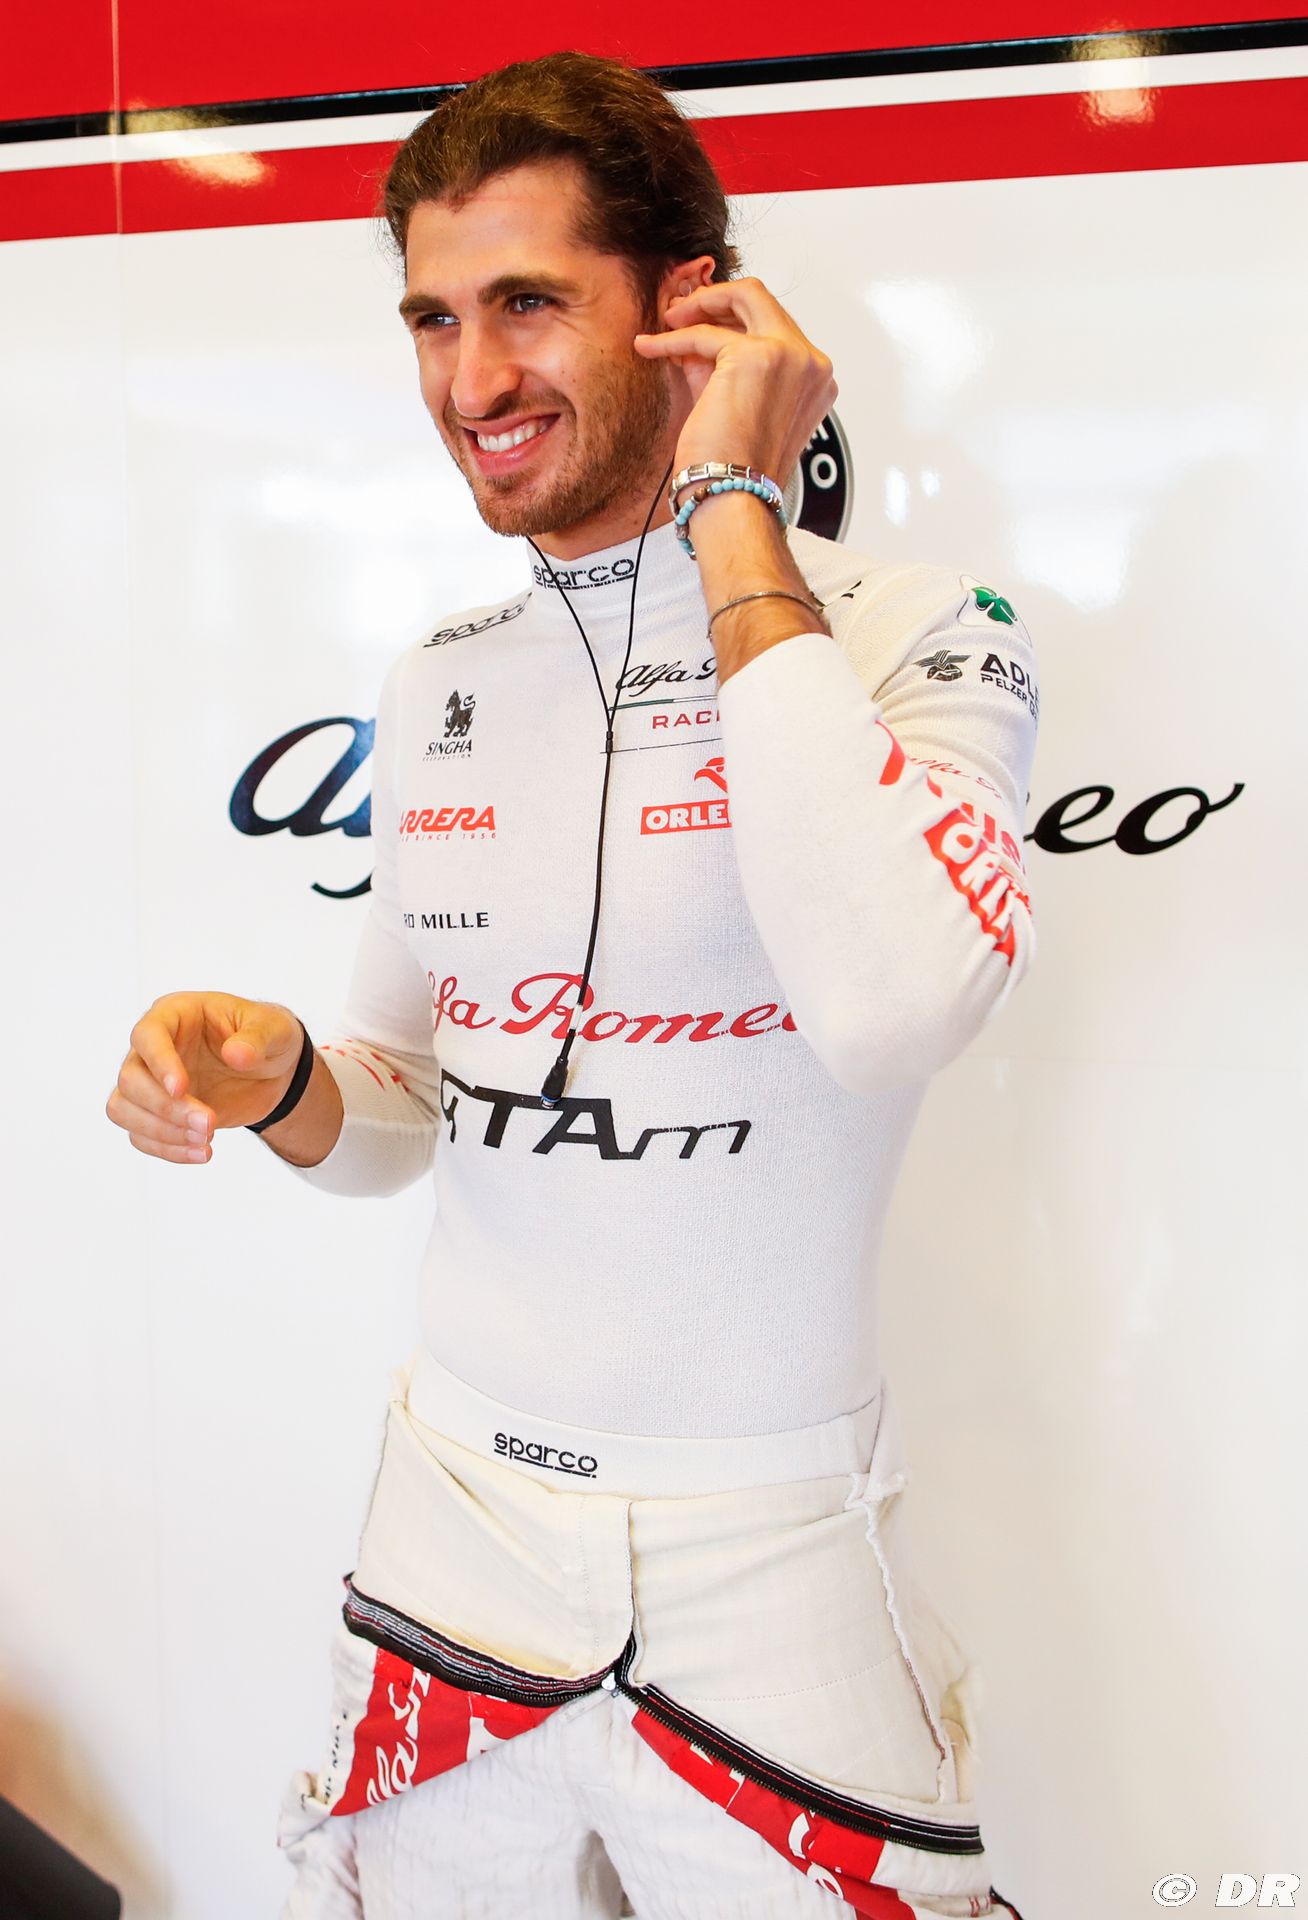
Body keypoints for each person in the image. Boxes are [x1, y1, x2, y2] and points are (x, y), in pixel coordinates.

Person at [106, 50, 1036, 1920]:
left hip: (777, 1553)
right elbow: (409, 1111)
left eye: (526, 302)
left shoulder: (926, 633)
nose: (471, 383)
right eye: (433, 319)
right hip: (453, 1531)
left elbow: (890, 1005)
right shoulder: (443, 674)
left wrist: (733, 503)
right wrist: (284, 1077)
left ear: (695, 306)